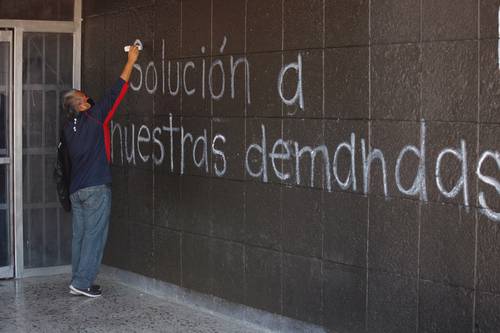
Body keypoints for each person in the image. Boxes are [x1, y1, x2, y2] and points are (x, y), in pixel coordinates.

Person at [62, 45, 140, 297]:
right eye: (86, 97)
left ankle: (77, 279)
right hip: (96, 188)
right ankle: (82, 282)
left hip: (76, 190)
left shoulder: (67, 128)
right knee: (94, 237)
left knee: (80, 237)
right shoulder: (95, 118)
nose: (90, 98)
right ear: (81, 103)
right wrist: (131, 60)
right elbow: (117, 91)